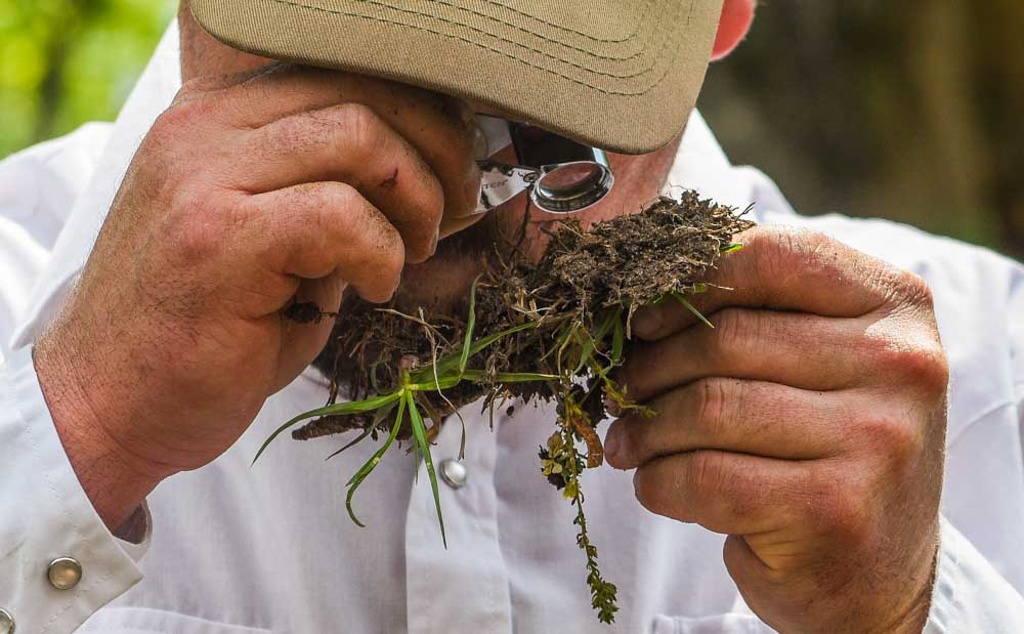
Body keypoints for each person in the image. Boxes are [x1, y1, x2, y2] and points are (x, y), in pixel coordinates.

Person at [1, 1, 1022, 632]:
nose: (424, 210)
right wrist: (79, 425)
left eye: (533, 135)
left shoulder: (988, 393)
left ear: (719, 14)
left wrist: (900, 614)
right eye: (326, 64)